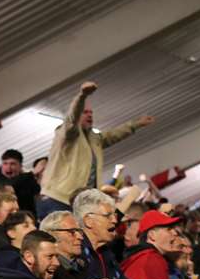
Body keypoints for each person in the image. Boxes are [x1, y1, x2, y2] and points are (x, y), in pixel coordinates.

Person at [36, 80, 152, 214]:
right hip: (58, 198)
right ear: (78, 114)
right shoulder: (67, 133)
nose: (90, 115)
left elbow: (112, 135)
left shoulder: (93, 137)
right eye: (85, 112)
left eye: (91, 112)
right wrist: (82, 96)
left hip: (78, 201)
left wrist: (135, 124)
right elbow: (71, 118)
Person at [0, 148, 40, 213]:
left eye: (12, 164)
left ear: (20, 166)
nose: (8, 167)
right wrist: (31, 174)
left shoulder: (28, 180)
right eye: (5, 163)